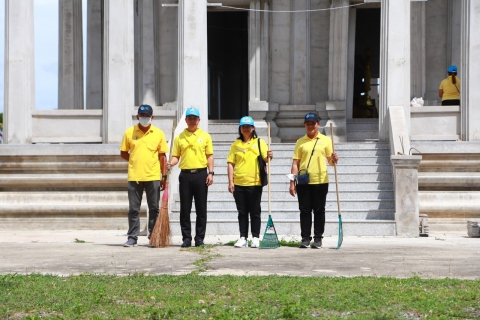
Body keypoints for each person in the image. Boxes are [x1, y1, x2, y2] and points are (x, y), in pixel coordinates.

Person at [120, 104, 169, 247]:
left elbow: (162, 156)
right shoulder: (129, 132)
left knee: (154, 208)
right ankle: (132, 237)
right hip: (135, 176)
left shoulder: (158, 133)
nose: (144, 118)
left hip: (153, 176)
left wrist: (163, 176)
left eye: (147, 116)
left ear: (152, 117)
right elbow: (123, 152)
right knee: (133, 209)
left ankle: (153, 236)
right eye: (142, 116)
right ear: (137, 117)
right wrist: (134, 160)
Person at [289, 113, 339, 249]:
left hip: (321, 180)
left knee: (319, 210)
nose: (310, 126)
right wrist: (292, 182)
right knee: (304, 210)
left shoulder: (326, 140)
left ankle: (318, 239)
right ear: (305, 125)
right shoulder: (300, 141)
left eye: (313, 123)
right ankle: (305, 238)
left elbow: (331, 162)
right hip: (304, 180)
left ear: (318, 124)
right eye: (308, 123)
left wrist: (334, 159)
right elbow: (295, 163)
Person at [167, 107, 214, 248]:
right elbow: (176, 156)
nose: (192, 121)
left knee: (201, 209)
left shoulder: (205, 136)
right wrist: (171, 163)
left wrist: (211, 173)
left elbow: (209, 156)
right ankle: (186, 238)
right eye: (190, 118)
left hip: (201, 174)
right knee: (185, 208)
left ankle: (199, 238)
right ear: (186, 120)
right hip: (185, 175)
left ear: (199, 120)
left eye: (195, 118)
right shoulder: (179, 137)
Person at [227, 116, 273, 248]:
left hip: (255, 182)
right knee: (242, 212)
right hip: (239, 182)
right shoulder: (235, 145)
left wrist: (270, 156)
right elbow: (230, 163)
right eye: (243, 126)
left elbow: (266, 159)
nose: (246, 129)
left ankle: (256, 237)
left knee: (255, 211)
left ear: (253, 128)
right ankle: (243, 237)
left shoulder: (260, 142)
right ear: (240, 129)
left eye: (248, 126)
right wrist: (231, 181)